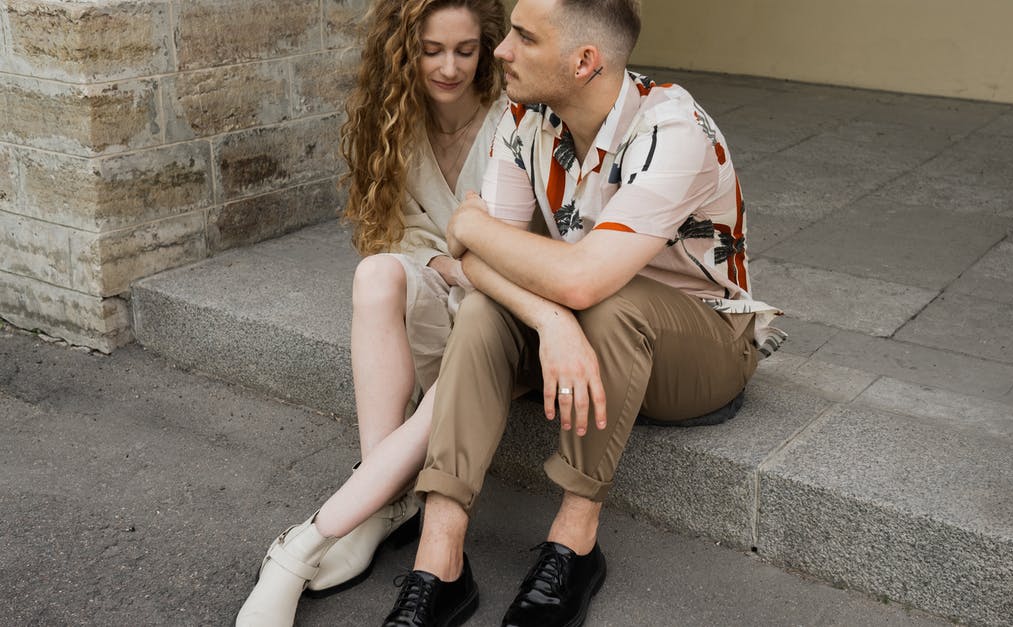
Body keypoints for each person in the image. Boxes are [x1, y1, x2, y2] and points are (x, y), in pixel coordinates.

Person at [381, 0, 786, 625]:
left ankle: (575, 542)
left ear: (584, 62)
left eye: (523, 38)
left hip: (704, 346)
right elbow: (477, 267)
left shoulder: (672, 129)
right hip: (590, 321)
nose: (500, 51)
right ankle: (441, 557)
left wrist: (475, 226)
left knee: (605, 299)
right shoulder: (525, 117)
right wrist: (548, 320)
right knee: (487, 310)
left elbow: (578, 277)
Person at [234, 0, 508, 624]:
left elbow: (521, 250)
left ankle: (302, 546)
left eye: (465, 50)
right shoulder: (395, 123)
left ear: (488, 49)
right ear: (406, 48)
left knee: (480, 319)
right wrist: (448, 265)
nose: (448, 67)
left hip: (497, 315)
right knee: (376, 273)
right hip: (447, 293)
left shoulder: (511, 124)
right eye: (431, 50)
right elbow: (397, 239)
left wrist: (465, 270)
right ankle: (384, 504)